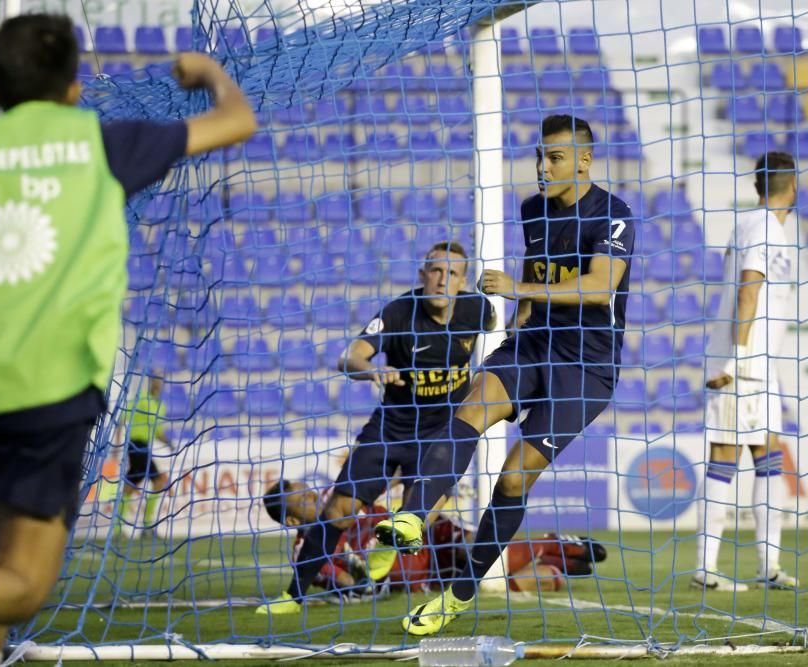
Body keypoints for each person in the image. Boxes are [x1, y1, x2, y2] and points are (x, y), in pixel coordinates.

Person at [0, 13, 256, 663]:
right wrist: (208, 72)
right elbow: (237, 120)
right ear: (75, 89)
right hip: (48, 389)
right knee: (22, 586)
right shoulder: (101, 145)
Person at [374, 114, 635, 635]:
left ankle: (461, 593)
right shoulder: (531, 209)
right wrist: (520, 320)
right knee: (471, 406)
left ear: (584, 160)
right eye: (540, 156)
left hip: (586, 367)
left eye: (555, 157)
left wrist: (519, 291)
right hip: (533, 344)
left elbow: (600, 287)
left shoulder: (614, 215)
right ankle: (413, 516)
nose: (543, 167)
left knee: (513, 477)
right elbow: (542, 273)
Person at [256, 242, 495, 615]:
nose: (441, 279)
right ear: (422, 274)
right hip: (392, 427)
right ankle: (292, 596)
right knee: (339, 509)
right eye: (434, 270)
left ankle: (386, 548)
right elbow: (349, 357)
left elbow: (508, 332)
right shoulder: (398, 312)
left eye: (451, 273)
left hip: (443, 429)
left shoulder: (478, 310)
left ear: (463, 281)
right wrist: (373, 370)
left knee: (426, 508)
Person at [694, 151, 799, 592]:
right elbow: (747, 293)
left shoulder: (752, 226)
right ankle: (705, 568)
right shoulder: (762, 229)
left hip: (759, 366)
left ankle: (768, 565)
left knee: (769, 458)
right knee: (725, 458)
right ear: (793, 187)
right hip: (744, 366)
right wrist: (735, 362)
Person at [258, 478, 607, 599]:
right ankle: (556, 565)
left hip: (431, 533)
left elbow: (388, 475)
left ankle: (555, 546)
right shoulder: (307, 551)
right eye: (304, 500)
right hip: (417, 576)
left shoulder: (343, 495)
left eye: (310, 491)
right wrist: (356, 572)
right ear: (292, 520)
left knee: (478, 550)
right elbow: (349, 583)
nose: (316, 498)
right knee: (489, 586)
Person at [117, 376, 170, 534]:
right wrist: (117, 440)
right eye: (155, 381)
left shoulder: (161, 407)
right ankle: (147, 526)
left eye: (160, 381)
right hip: (135, 444)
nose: (158, 384)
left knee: (131, 486)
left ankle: (117, 526)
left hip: (144, 446)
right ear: (151, 383)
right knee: (158, 481)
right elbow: (123, 418)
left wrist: (168, 442)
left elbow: (158, 432)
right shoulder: (141, 399)